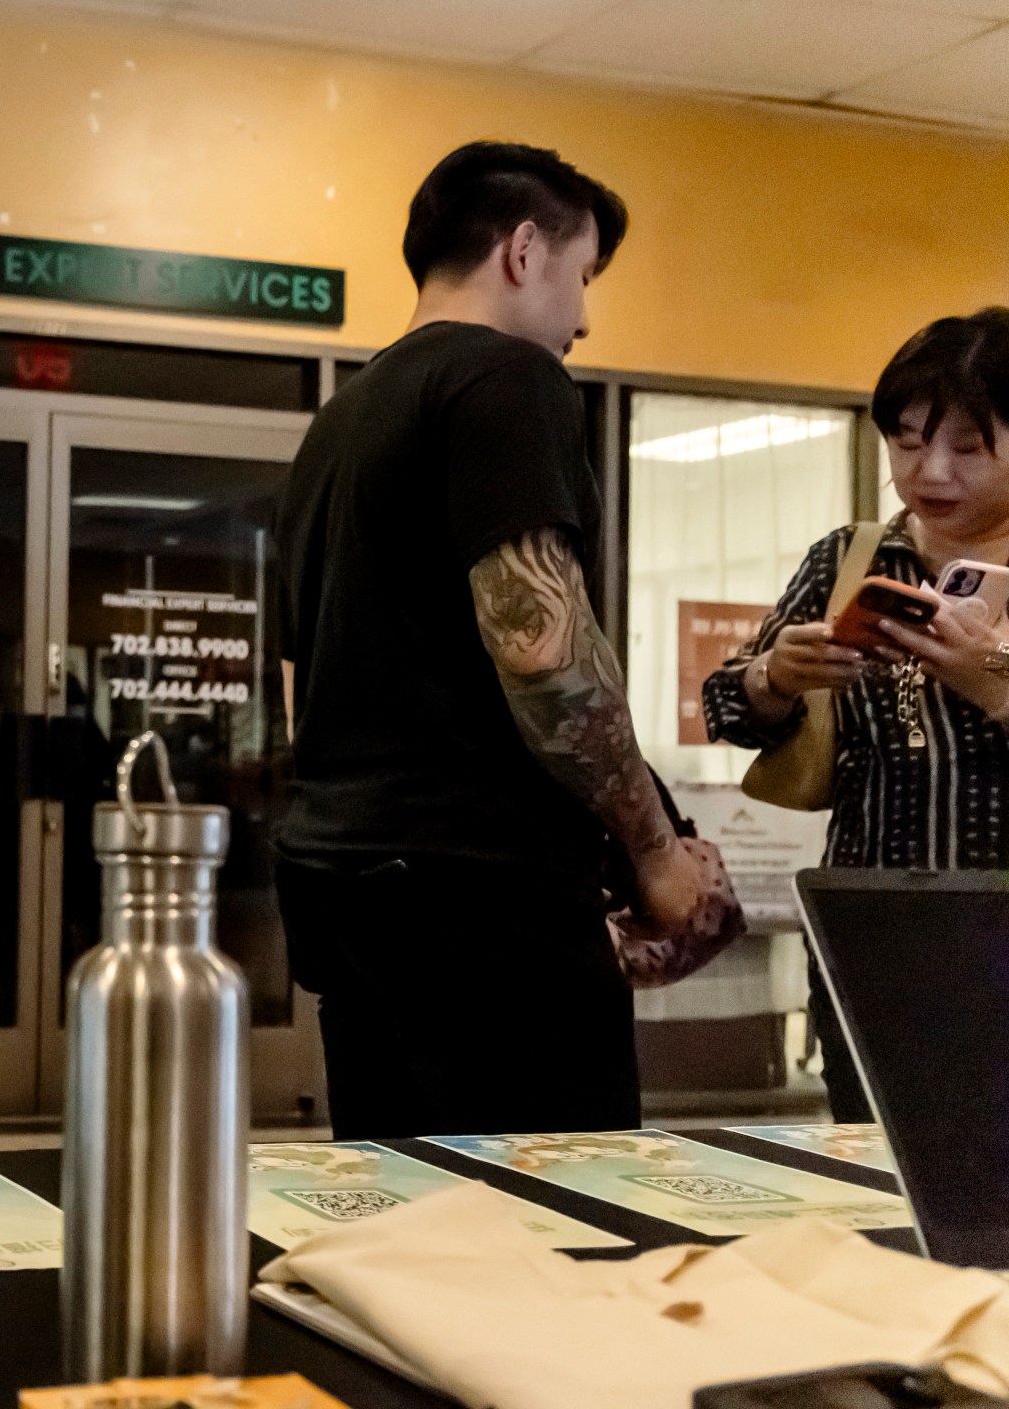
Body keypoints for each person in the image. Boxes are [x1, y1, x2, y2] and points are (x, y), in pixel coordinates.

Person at [273, 141, 715, 1140]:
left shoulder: (339, 420)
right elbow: (544, 652)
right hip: (482, 896)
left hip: (345, 881)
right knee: (555, 1227)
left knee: (403, 1221)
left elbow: (304, 675)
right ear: (524, 251)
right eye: (582, 274)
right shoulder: (507, 379)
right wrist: (652, 848)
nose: (584, 316)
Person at [705, 309, 1009, 1123]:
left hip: (1000, 934)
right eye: (907, 443)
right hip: (870, 932)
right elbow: (725, 702)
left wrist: (997, 687)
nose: (929, 471)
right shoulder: (856, 557)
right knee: (873, 1163)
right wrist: (776, 677)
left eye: (968, 447)